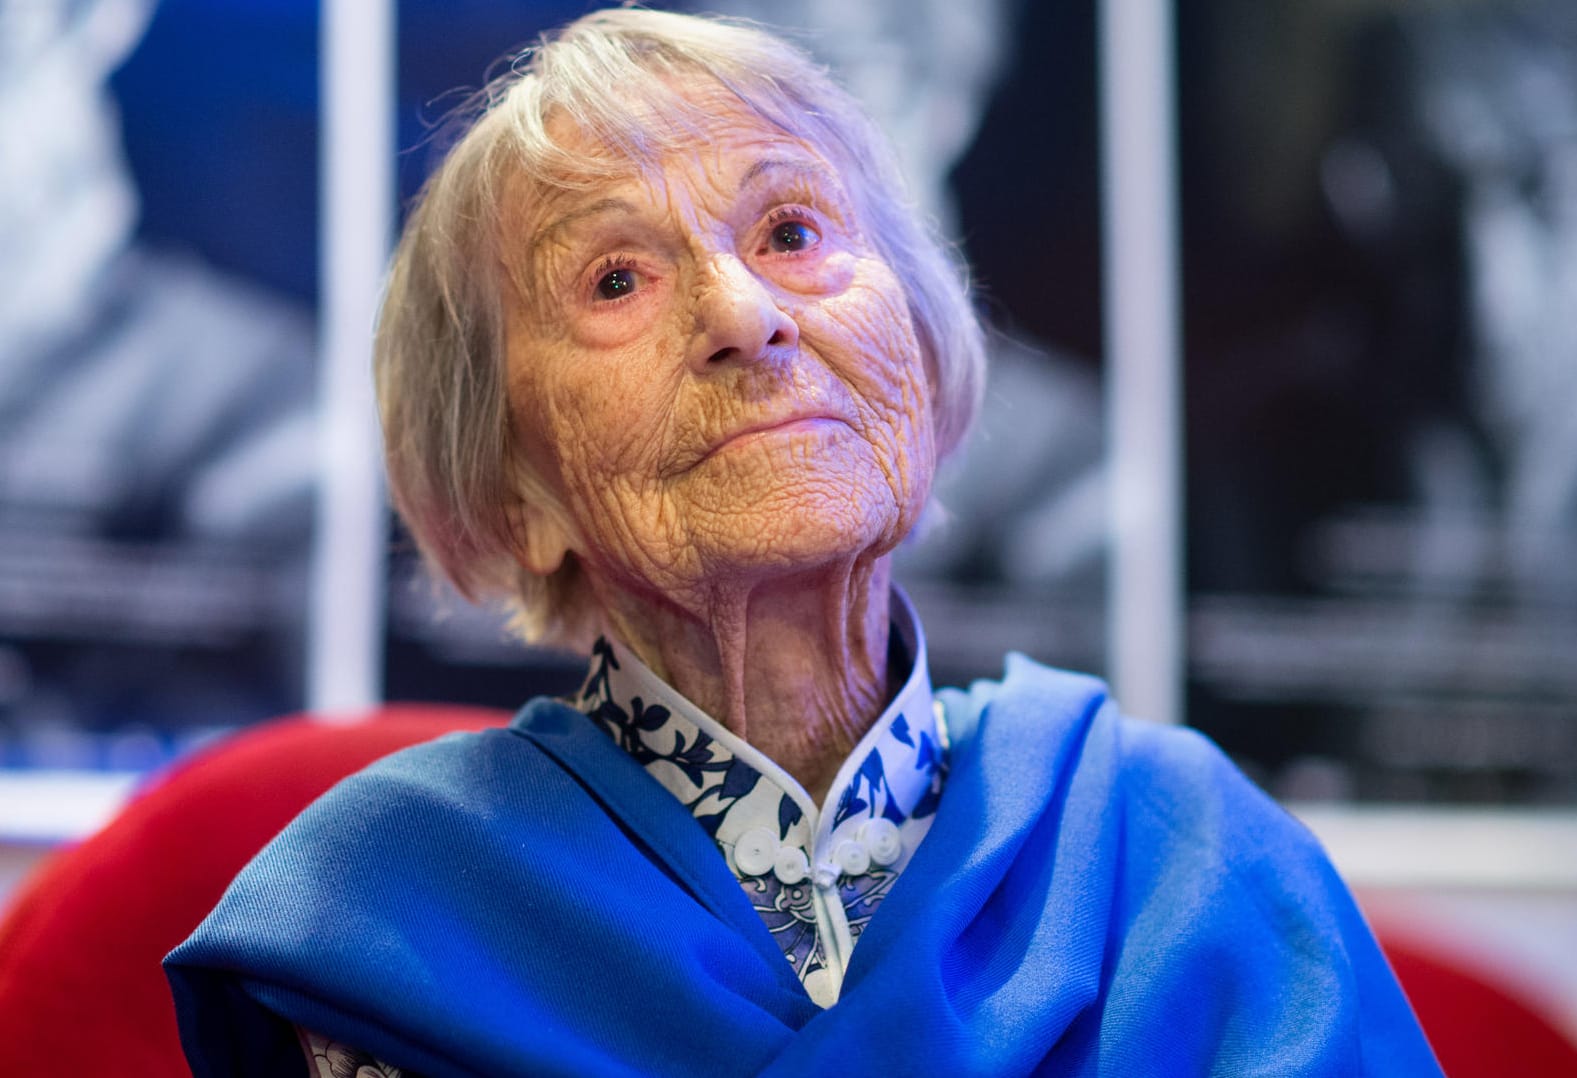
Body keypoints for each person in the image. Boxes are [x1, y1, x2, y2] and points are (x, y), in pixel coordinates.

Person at [166, 8, 1441, 1076]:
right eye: (615, 278)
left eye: (791, 231)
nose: (743, 311)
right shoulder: (387, 913)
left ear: (922, 362)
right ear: (514, 494)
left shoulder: (1190, 848)